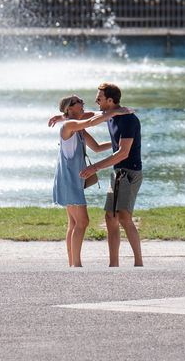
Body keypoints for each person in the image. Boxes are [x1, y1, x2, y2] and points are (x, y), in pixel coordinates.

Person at [51, 94, 131, 267]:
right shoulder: (69, 125)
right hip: (69, 180)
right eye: (79, 102)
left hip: (71, 179)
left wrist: (118, 143)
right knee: (82, 221)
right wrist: (116, 111)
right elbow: (91, 120)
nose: (82, 104)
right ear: (70, 108)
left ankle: (72, 263)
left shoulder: (78, 128)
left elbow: (96, 147)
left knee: (73, 223)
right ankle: (76, 265)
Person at [79, 82, 143, 267]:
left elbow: (123, 153)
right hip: (118, 172)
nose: (96, 100)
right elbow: (88, 116)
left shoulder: (128, 119)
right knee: (110, 217)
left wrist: (94, 167)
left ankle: (139, 263)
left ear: (110, 100)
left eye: (99, 97)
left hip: (129, 172)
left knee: (123, 217)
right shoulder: (111, 115)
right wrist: (62, 117)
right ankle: (113, 265)